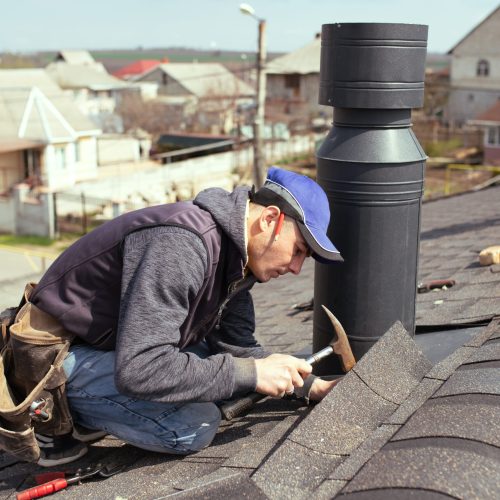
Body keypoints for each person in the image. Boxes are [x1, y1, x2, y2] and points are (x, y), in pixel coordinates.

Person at [6, 166, 343, 466]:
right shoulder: (182, 244)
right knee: (194, 426)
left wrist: (312, 387)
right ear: (270, 219)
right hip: (53, 361)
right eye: (299, 250)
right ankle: (59, 418)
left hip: (113, 350)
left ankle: (100, 405)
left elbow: (237, 350)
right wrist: (251, 372)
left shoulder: (237, 262)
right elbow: (141, 369)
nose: (298, 269)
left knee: (239, 373)